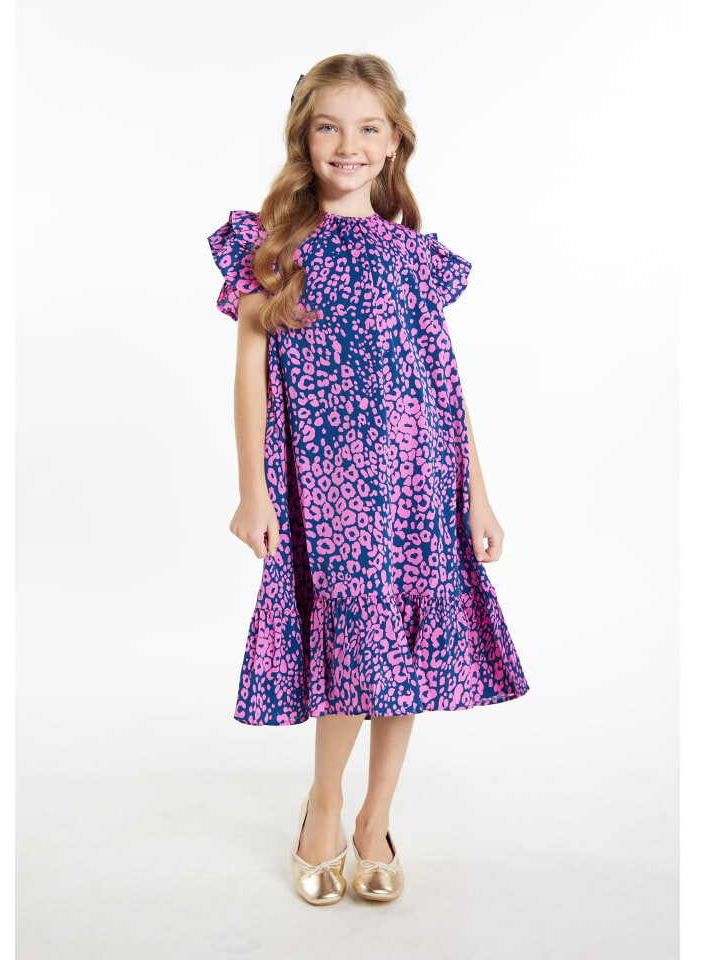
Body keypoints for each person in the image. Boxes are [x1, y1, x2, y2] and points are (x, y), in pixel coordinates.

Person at [207, 53, 530, 906]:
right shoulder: (274, 248)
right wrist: (253, 489)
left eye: (367, 128)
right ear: (303, 138)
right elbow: (249, 372)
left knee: (407, 650)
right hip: (329, 490)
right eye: (329, 126)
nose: (347, 144)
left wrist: (478, 493)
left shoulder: (413, 258)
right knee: (357, 640)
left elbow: (442, 383)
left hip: (419, 483)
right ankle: (323, 805)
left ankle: (375, 820)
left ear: (393, 143)